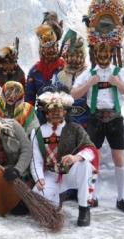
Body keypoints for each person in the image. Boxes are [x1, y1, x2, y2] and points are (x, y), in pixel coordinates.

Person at [72, 42, 124, 214]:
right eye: (99, 56)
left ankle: (121, 198)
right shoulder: (89, 74)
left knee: (118, 157)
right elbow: (73, 95)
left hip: (115, 118)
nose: (102, 59)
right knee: (92, 157)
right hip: (95, 118)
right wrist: (89, 84)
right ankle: (91, 195)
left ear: (111, 54)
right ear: (94, 56)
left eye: (106, 55)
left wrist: (118, 84)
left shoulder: (121, 73)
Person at [30, 91, 98, 227]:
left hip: (69, 173)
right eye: (52, 110)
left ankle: (84, 208)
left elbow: (91, 149)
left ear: (65, 112)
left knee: (84, 165)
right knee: (37, 197)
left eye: (59, 110)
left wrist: (76, 157)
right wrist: (39, 179)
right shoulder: (37, 132)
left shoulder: (75, 129)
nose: (56, 113)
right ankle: (58, 198)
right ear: (46, 113)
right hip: (50, 174)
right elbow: (35, 159)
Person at [25, 12, 65, 122]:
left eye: (54, 46)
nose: (51, 49)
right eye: (48, 47)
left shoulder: (65, 68)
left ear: (57, 47)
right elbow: (29, 102)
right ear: (41, 48)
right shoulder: (34, 71)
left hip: (62, 118)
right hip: (41, 118)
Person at [53, 30, 89, 128]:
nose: (74, 59)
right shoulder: (59, 76)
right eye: (70, 55)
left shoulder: (88, 75)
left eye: (77, 56)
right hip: (64, 125)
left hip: (86, 124)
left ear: (83, 57)